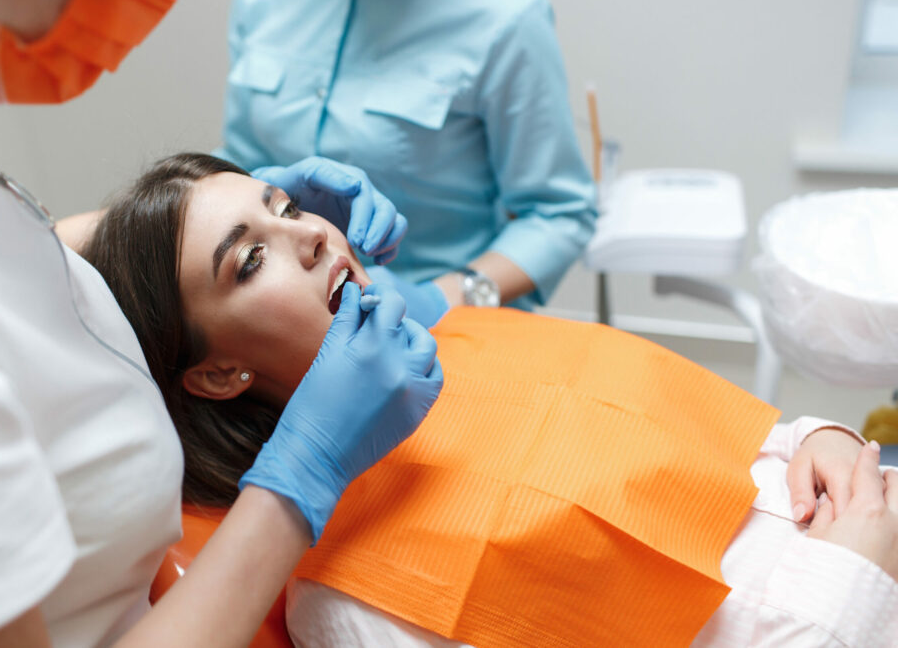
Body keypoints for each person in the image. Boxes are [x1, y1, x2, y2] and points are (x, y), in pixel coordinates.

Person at [78, 153, 898, 647]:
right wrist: (849, 585)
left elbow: (696, 424)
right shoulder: (350, 600)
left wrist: (810, 437)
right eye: (249, 261)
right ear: (218, 375)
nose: (312, 233)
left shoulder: (471, 337)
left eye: (285, 206)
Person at [0, 0, 442, 647]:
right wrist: (302, 475)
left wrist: (229, 217)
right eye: (250, 264)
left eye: (289, 208)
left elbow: (4, 249)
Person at [217, 0, 597, 325]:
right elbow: (238, 159)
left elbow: (560, 212)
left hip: (441, 326)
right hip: (283, 321)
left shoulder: (506, 16)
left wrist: (447, 297)